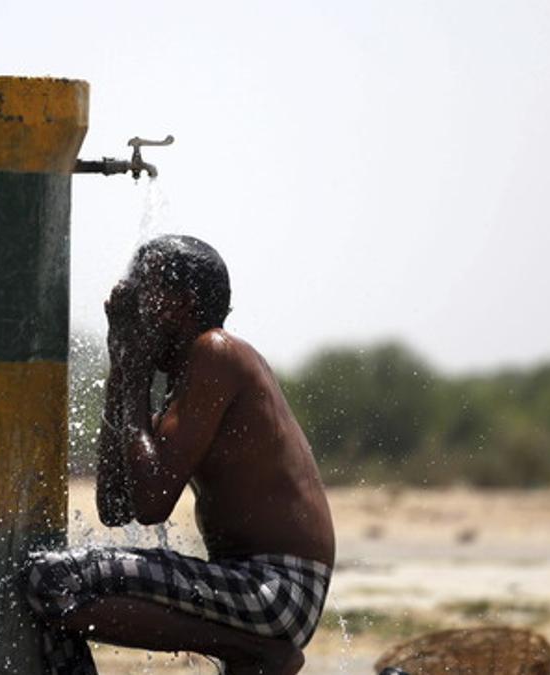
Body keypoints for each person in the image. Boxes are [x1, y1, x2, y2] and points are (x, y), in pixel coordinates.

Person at [25, 235, 336, 675]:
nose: (125, 300)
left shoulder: (217, 353)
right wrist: (123, 366)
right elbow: (115, 506)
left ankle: (252, 651)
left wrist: (133, 374)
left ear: (181, 305)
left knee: (51, 579)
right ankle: (247, 648)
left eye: (139, 288)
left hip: (276, 589)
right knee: (49, 583)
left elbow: (152, 505)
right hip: (244, 586)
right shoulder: (183, 383)